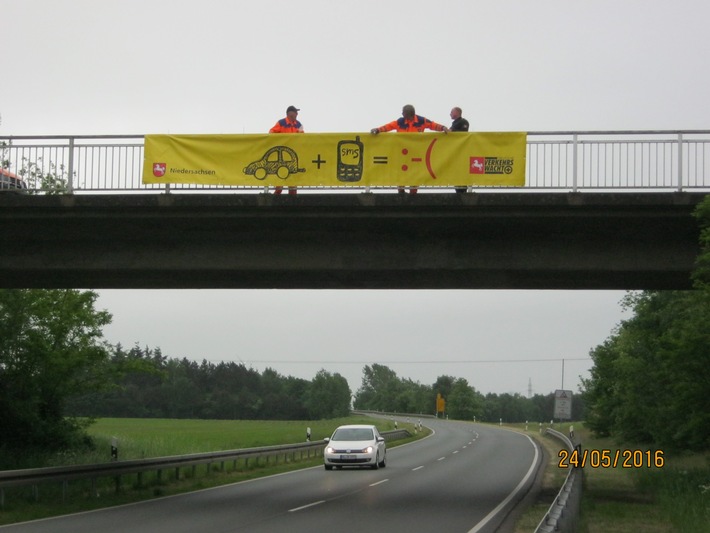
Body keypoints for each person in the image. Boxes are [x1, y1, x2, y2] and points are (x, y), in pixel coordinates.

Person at [370, 104, 449, 194]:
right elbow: (389, 126)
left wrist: (443, 128)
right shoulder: (400, 121)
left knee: (415, 172)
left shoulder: (421, 120)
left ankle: (413, 192)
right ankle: (401, 190)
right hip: (401, 152)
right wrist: (378, 130)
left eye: (403, 112)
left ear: (409, 114)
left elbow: (432, 125)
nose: (402, 114)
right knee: (400, 171)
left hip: (416, 153)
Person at [268, 105, 304, 195]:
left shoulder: (298, 124)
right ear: (290, 114)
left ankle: (292, 202)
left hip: (293, 155)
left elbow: (303, 137)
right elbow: (271, 132)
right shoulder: (281, 123)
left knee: (292, 181)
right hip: (282, 155)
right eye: (296, 112)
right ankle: (275, 199)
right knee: (280, 181)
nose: (297, 114)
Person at [450, 107, 470, 194]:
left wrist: (450, 131)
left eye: (451, 112)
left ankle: (462, 189)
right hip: (456, 151)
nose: (450, 114)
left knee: (461, 169)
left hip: (461, 150)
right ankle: (458, 189)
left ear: (457, 112)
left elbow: (462, 133)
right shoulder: (455, 123)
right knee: (456, 170)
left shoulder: (463, 122)